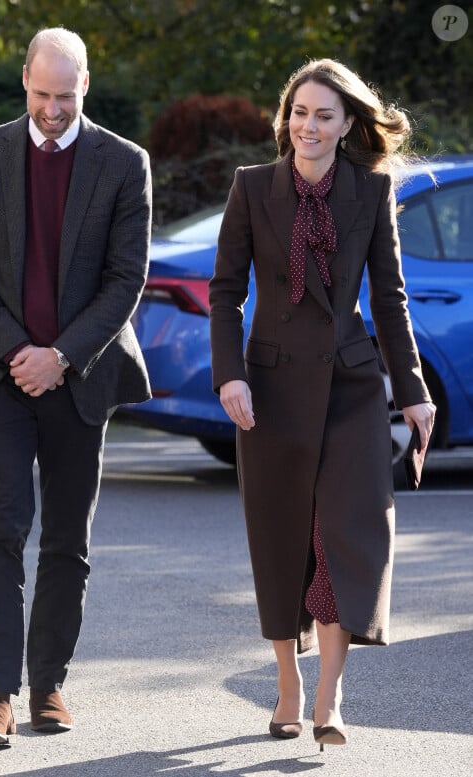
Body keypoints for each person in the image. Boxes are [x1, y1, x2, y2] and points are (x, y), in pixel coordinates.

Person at [209, 58, 435, 752]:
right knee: (281, 542)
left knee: (341, 540)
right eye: (299, 113)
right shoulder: (252, 189)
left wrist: (415, 391)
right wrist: (230, 376)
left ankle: (331, 699)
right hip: (270, 391)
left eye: (324, 116)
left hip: (351, 386)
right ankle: (288, 685)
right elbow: (226, 291)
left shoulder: (370, 193)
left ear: (346, 127)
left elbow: (390, 299)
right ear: (286, 120)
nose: (308, 126)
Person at [0, 27, 152, 746]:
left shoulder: (126, 163)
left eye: (65, 96)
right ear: (25, 83)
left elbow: (126, 278)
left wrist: (60, 355)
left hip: (80, 377)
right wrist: (20, 353)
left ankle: (48, 685)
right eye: (41, 95)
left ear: (85, 85)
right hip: (0, 380)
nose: (53, 109)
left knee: (68, 539)